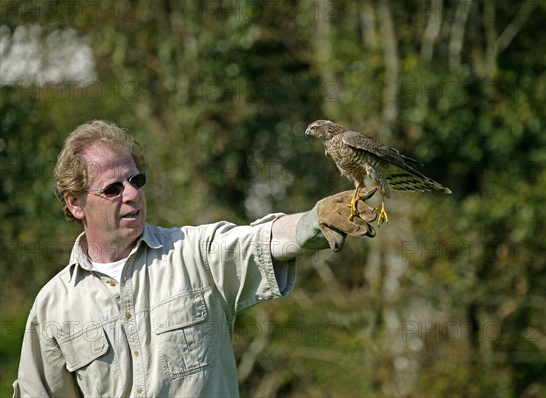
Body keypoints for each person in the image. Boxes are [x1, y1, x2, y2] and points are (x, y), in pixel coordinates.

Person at [13, 120, 378, 397]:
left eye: (136, 180)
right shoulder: (53, 307)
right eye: (112, 188)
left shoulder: (194, 254)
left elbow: (262, 240)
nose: (132, 195)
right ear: (75, 203)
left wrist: (314, 221)